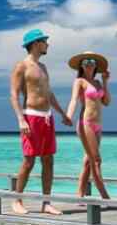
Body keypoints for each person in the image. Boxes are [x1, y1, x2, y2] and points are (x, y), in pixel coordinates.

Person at [9, 29, 72, 215]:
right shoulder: (21, 66)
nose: (48, 44)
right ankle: (17, 200)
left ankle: (46, 202)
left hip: (47, 118)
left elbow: (49, 94)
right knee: (29, 161)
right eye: (45, 41)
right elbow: (13, 95)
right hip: (31, 116)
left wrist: (62, 114)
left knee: (48, 160)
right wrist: (21, 119)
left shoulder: (43, 68)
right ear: (36, 43)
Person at [65, 51, 111, 199]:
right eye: (86, 62)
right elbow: (73, 100)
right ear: (82, 66)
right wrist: (68, 116)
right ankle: (105, 197)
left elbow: (107, 102)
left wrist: (105, 82)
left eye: (92, 61)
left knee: (88, 161)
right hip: (87, 124)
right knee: (96, 160)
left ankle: (79, 195)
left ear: (96, 65)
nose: (89, 64)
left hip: (99, 125)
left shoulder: (97, 83)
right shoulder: (79, 81)